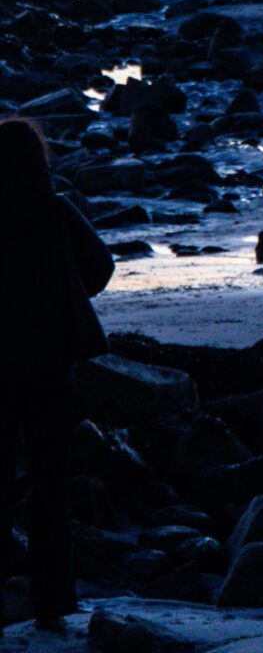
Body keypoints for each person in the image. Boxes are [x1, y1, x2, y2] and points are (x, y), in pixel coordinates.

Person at [0, 116, 115, 633]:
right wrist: (67, 294)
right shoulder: (57, 210)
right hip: (50, 363)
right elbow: (102, 268)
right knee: (52, 489)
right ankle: (53, 603)